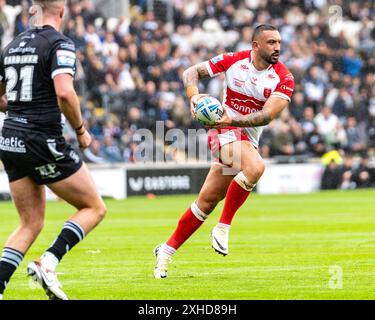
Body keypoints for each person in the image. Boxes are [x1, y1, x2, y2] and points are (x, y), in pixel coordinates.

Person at [153, 24, 295, 278]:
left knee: (206, 202)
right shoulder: (234, 60)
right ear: (255, 45)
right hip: (223, 133)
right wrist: (193, 97)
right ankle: (223, 227)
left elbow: (265, 116)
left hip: (240, 134)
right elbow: (191, 72)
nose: (278, 48)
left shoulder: (284, 78)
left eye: (279, 43)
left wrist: (229, 119)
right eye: (272, 42)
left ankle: (166, 250)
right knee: (256, 167)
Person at [0, 0, 106, 300]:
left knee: (30, 223)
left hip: (10, 139)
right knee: (94, 207)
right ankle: (48, 262)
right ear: (61, 12)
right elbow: (64, 92)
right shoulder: (60, 44)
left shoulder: (13, 45)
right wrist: (82, 131)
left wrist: (21, 105)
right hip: (41, 138)